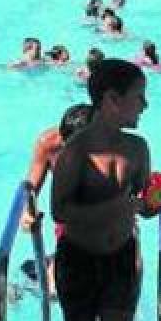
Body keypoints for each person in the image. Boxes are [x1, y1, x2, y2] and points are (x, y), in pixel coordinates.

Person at [51, 59, 161, 321]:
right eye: (139, 97)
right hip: (78, 258)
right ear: (112, 100)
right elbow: (60, 211)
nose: (145, 105)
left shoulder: (138, 149)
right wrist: (114, 208)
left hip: (122, 258)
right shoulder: (76, 153)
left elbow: (146, 207)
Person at [18, 104, 96, 297]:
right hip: (70, 220)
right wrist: (26, 214)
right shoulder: (49, 144)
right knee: (54, 292)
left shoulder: (115, 148)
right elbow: (30, 188)